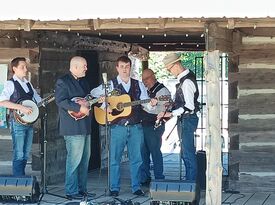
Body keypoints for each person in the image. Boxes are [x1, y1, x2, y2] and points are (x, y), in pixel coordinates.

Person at [91, 56, 154, 197]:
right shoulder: (110, 84)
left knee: (137, 158)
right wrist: (105, 105)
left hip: (136, 126)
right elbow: (94, 94)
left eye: (127, 66)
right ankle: (114, 188)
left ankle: (136, 187)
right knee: (115, 158)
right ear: (117, 68)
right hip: (117, 126)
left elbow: (147, 105)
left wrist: (152, 103)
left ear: (130, 67)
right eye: (122, 66)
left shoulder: (139, 85)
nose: (125, 69)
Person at [157, 53, 200, 181]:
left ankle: (191, 186)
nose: (170, 72)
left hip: (188, 119)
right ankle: (189, 183)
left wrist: (170, 113)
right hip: (185, 120)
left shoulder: (186, 82)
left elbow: (189, 107)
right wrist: (172, 104)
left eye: (169, 69)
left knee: (188, 154)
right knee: (185, 154)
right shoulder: (185, 79)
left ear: (175, 65)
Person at [55, 56, 93, 200]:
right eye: (84, 66)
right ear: (75, 66)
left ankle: (82, 190)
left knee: (84, 160)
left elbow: (86, 98)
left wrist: (93, 100)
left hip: (85, 125)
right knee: (74, 160)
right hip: (72, 127)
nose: (86, 68)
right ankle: (71, 191)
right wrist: (79, 107)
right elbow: (61, 101)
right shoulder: (63, 81)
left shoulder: (83, 81)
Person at [0, 57, 42, 176]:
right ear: (14, 68)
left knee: (26, 152)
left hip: (28, 123)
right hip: (17, 123)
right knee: (19, 152)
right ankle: (18, 181)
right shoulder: (10, 83)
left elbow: (37, 100)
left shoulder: (28, 84)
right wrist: (22, 108)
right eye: (22, 67)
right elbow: (2, 101)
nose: (25, 69)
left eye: (26, 66)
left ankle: (21, 178)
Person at [139, 69, 171, 186]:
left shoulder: (162, 91)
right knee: (143, 152)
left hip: (154, 125)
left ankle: (159, 178)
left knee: (155, 152)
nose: (144, 82)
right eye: (143, 80)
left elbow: (164, 109)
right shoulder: (146, 91)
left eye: (146, 79)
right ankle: (144, 177)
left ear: (153, 77)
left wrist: (145, 108)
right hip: (144, 125)